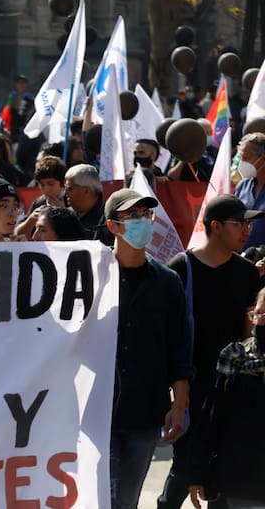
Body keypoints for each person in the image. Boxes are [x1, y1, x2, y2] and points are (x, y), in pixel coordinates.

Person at [157, 194, 261, 509]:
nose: (247, 231)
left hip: (231, 387)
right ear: (216, 226)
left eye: (248, 224)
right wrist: (177, 393)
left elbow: (249, 332)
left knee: (223, 471)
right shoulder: (181, 268)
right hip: (191, 387)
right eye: (239, 224)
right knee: (185, 466)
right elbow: (168, 334)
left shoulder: (246, 272)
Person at [103, 188, 193, 509]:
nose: (143, 222)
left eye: (146, 215)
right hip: (98, 411)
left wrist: (179, 404)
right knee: (100, 497)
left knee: (127, 499)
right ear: (113, 225)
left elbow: (179, 347)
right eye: (133, 216)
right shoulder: (92, 276)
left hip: (146, 411)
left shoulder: (168, 282)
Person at [187, 288, 265, 509]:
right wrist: (197, 472)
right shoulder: (235, 355)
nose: (262, 320)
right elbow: (211, 415)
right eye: (260, 313)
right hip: (239, 477)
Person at [15, 155, 67, 239]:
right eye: (42, 185)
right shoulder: (39, 202)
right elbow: (18, 235)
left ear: (63, 183)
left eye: (51, 184)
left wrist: (64, 214)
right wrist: (31, 220)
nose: (46, 189)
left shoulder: (72, 201)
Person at [64, 164, 113, 245]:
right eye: (65, 188)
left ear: (86, 190)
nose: (65, 193)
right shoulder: (65, 217)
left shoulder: (109, 220)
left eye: (69, 188)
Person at [233, 132, 265, 249]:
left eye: (246, 158)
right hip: (242, 255)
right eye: (241, 157)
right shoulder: (242, 185)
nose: (242, 163)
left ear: (263, 157)